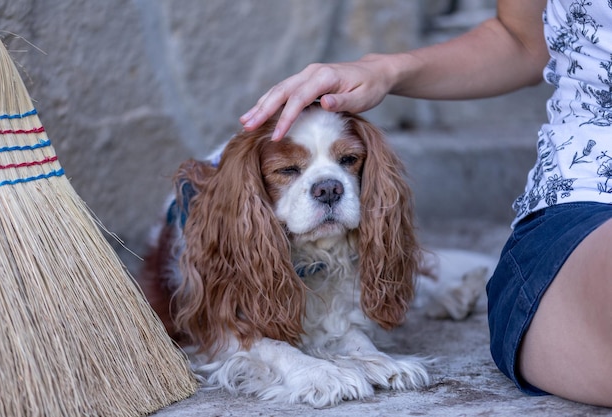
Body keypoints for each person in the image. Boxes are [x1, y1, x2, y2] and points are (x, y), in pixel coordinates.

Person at [239, 0, 612, 408]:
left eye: (348, 161)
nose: (329, 187)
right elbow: (522, 39)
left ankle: (445, 274)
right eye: (288, 171)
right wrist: (382, 69)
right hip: (589, 198)